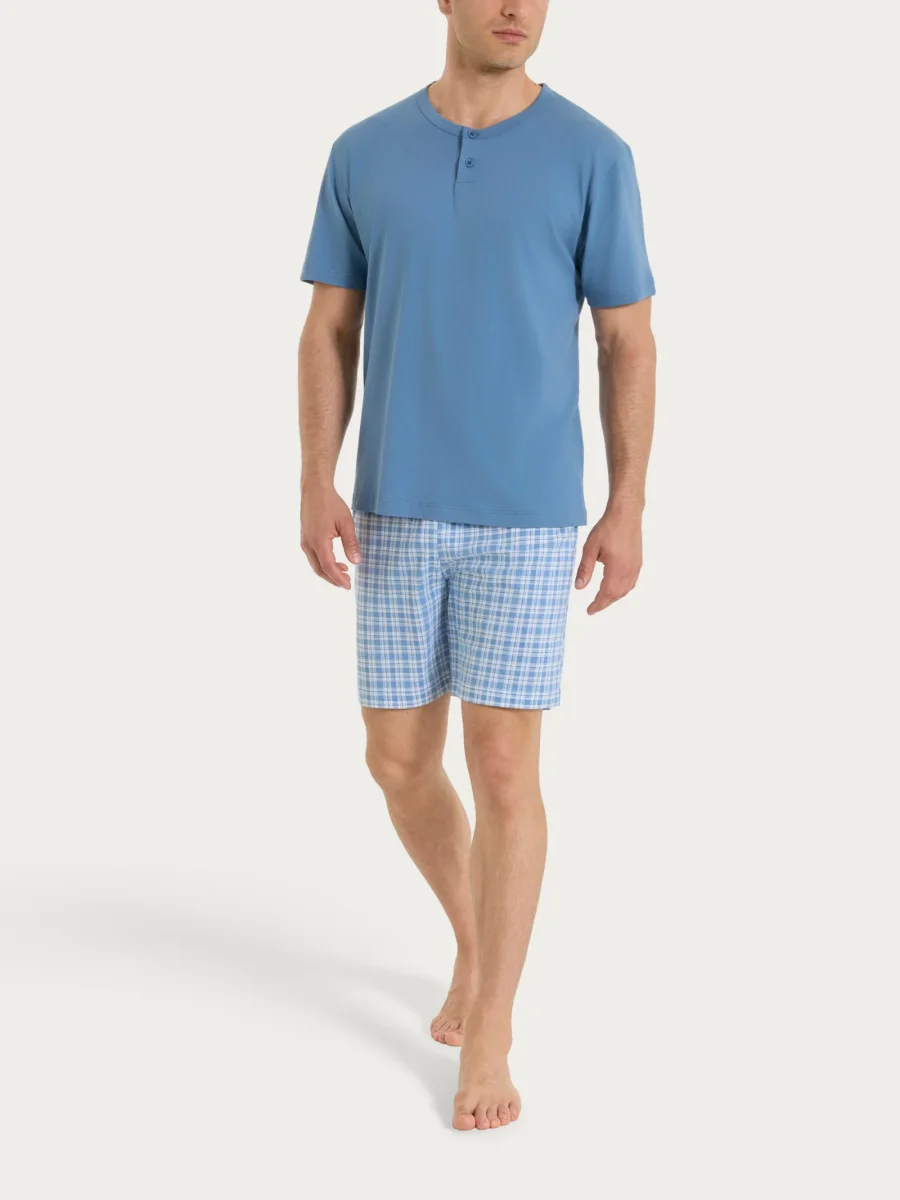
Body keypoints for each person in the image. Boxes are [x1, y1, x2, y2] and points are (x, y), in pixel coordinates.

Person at [297, 0, 656, 1132]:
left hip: (528, 515)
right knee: (397, 760)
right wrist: (315, 476)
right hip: (395, 504)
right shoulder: (363, 151)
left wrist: (628, 503)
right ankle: (473, 936)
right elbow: (330, 329)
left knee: (504, 769)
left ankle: (493, 1022)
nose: (516, 8)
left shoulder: (595, 155)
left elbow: (628, 337)